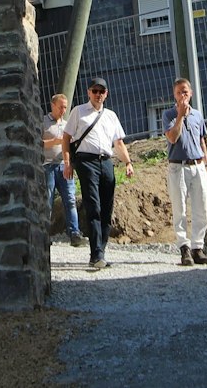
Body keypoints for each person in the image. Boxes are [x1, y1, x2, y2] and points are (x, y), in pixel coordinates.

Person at [60, 76, 135, 271]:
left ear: (106, 94)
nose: (98, 95)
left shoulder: (111, 116)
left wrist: (127, 162)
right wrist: (67, 163)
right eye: (95, 91)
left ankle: (100, 250)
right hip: (86, 162)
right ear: (88, 92)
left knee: (107, 208)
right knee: (93, 206)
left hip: (106, 162)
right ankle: (96, 254)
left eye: (102, 91)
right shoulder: (78, 112)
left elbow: (118, 143)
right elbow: (66, 138)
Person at [161, 77, 207, 265]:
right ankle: (184, 248)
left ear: (190, 93)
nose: (182, 95)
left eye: (185, 91)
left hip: (197, 165)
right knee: (180, 208)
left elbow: (201, 141)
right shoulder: (169, 115)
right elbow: (173, 138)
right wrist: (180, 116)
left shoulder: (198, 115)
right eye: (178, 93)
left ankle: (198, 247)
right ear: (174, 96)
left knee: (201, 207)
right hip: (178, 166)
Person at [42, 94, 82, 246]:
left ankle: (74, 233)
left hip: (64, 165)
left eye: (65, 107)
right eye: (61, 107)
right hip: (48, 165)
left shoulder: (67, 124)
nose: (63, 110)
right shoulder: (43, 122)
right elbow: (36, 142)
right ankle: (45, 235)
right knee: (47, 200)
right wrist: (56, 142)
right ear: (53, 105)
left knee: (70, 199)